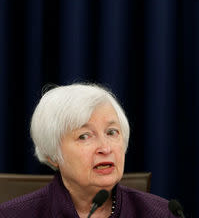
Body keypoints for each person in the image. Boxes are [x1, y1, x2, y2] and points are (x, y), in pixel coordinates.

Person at [0, 83, 179, 218]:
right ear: (53, 154)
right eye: (84, 136)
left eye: (111, 132)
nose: (105, 148)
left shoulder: (161, 213)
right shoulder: (12, 215)